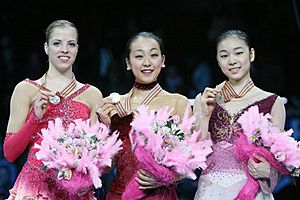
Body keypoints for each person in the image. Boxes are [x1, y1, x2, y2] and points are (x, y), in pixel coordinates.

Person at [3, 19, 102, 199]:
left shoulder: (92, 95)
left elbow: (101, 159)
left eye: (70, 44)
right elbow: (10, 153)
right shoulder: (26, 89)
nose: (64, 49)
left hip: (77, 191)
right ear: (46, 48)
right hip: (34, 189)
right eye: (57, 43)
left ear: (77, 49)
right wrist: (35, 119)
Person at [96, 32, 191, 200]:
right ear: (128, 63)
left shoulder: (178, 103)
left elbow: (189, 163)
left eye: (153, 55)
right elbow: (107, 167)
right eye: (139, 56)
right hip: (120, 194)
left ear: (162, 61)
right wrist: (106, 127)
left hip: (160, 196)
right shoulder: (113, 105)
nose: (147, 62)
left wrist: (164, 177)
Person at [193, 30, 285, 200]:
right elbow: (194, 156)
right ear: (218, 60)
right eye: (224, 55)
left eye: (238, 53)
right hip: (211, 191)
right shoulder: (204, 99)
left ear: (251, 54)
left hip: (253, 190)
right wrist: (205, 117)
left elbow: (278, 157)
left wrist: (269, 170)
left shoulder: (272, 102)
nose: (232, 61)